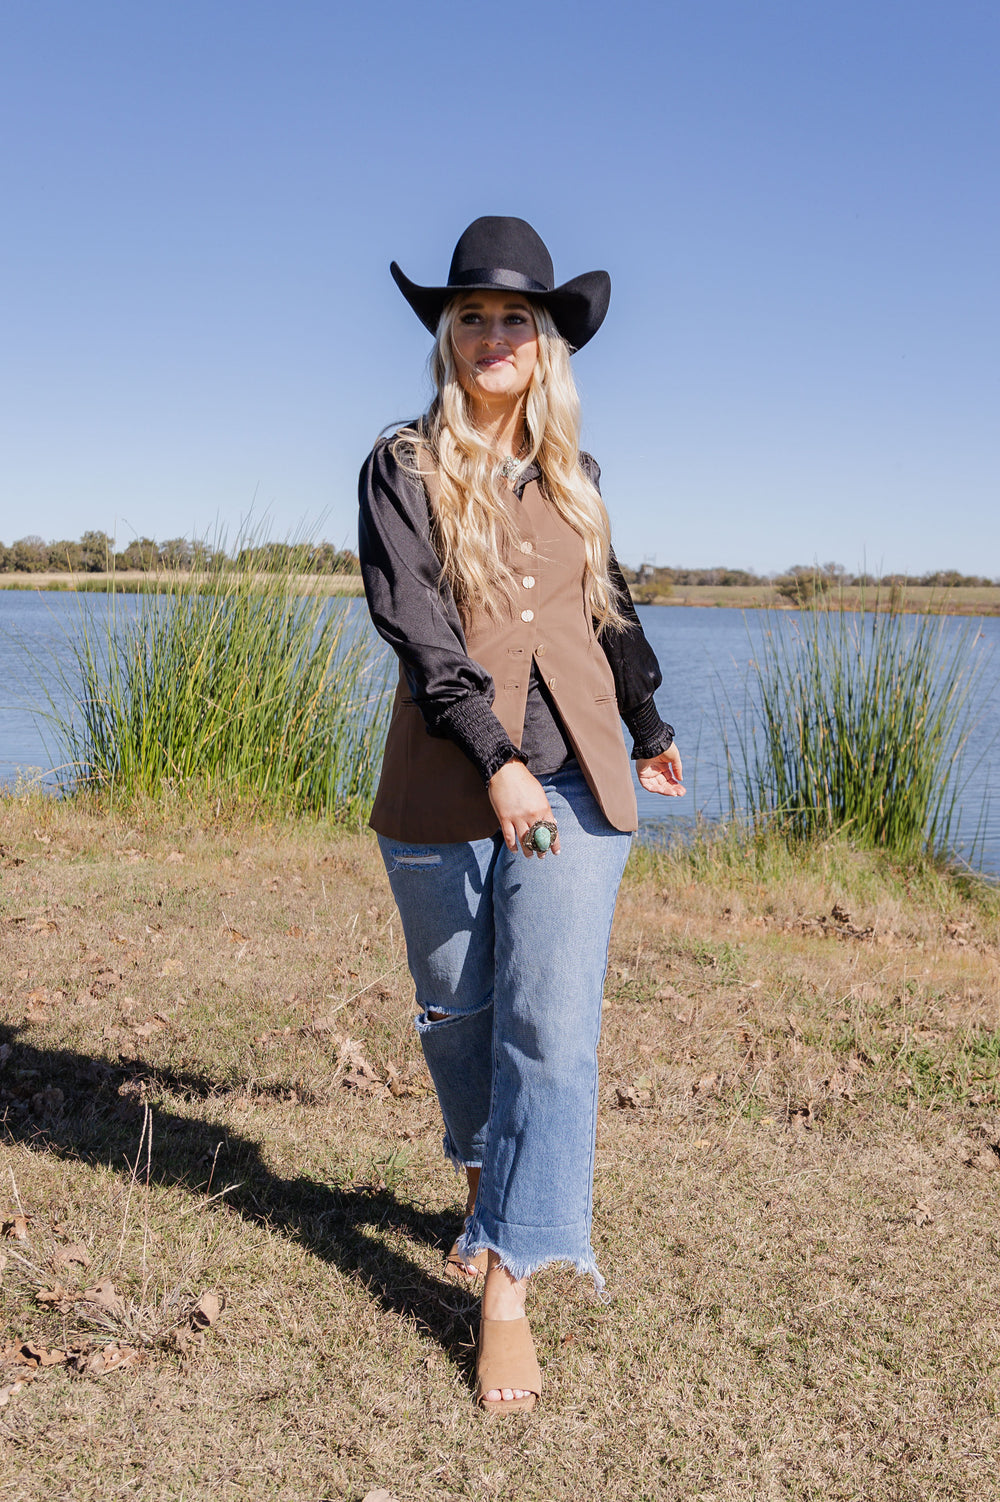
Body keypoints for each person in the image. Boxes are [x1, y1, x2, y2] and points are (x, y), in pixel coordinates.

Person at [358, 216, 684, 1413]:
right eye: (473, 318)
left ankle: (506, 1279)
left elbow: (610, 607)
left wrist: (647, 727)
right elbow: (420, 632)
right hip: (448, 778)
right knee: (460, 1011)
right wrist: (489, 755)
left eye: (516, 320)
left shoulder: (575, 477)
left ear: (547, 345)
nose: (495, 336)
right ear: (448, 337)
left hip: (570, 786)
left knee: (549, 1027)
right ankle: (489, 1179)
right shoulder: (400, 464)